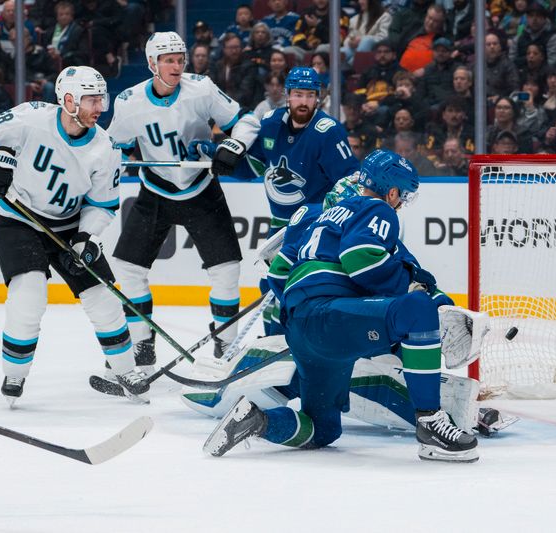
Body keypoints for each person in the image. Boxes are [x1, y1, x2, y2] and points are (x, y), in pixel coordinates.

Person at [203, 149, 479, 462]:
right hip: (327, 316)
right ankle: (430, 422)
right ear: (391, 192)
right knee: (416, 311)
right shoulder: (376, 209)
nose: (401, 204)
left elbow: (277, 278)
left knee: (323, 429)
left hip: (302, 329)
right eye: (402, 196)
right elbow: (360, 261)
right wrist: (418, 291)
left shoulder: (316, 220)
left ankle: (257, 420)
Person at [0, 66, 150, 403]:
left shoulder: (106, 147)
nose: (100, 107)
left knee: (103, 297)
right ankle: (14, 374)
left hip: (70, 227)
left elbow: (102, 204)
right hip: (17, 221)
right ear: (70, 99)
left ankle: (124, 368)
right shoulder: (31, 118)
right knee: (28, 295)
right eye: (91, 99)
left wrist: (87, 236)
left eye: (100, 98)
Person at [106, 32, 244, 363]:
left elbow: (244, 122)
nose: (177, 65)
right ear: (152, 63)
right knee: (127, 268)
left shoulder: (202, 88)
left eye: (180, 58)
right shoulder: (128, 101)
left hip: (201, 187)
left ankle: (226, 345)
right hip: (155, 191)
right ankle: (143, 344)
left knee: (227, 269)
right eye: (168, 59)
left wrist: (232, 145)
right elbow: (113, 147)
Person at [223, 66, 360, 332]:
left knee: (302, 286)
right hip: (280, 227)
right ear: (287, 95)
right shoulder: (271, 123)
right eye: (298, 94)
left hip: (317, 226)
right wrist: (221, 158)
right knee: (270, 285)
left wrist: (329, 214)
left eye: (310, 95)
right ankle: (272, 344)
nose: (304, 101)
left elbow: (351, 181)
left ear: (318, 97)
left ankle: (299, 344)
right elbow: (255, 167)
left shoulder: (328, 132)